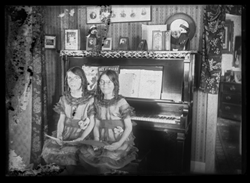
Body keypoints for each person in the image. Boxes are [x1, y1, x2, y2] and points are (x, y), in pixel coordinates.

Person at [77, 69, 138, 175]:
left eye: (109, 82)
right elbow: (96, 124)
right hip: (102, 140)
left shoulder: (121, 102)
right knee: (82, 153)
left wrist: (118, 144)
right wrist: (96, 141)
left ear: (115, 83)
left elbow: (128, 127)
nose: (105, 85)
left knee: (104, 162)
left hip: (118, 140)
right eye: (102, 82)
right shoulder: (96, 101)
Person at [41, 66, 95, 172]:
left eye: (75, 78)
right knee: (53, 153)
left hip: (81, 134)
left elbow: (92, 123)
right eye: (69, 78)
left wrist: (82, 138)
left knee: (72, 156)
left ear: (82, 80)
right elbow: (61, 121)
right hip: (66, 133)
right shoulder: (64, 98)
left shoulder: (90, 99)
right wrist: (59, 135)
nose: (72, 81)